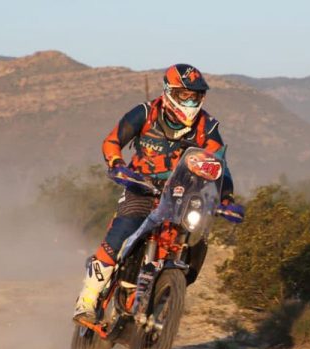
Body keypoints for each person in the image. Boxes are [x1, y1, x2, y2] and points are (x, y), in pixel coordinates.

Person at [73, 63, 244, 322]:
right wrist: (117, 164)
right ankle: (87, 298)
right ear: (169, 92)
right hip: (140, 187)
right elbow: (112, 140)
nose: (190, 101)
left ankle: (167, 290)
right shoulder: (145, 113)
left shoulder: (207, 127)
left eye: (195, 96)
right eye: (184, 95)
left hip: (182, 194)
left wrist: (227, 198)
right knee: (121, 232)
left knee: (198, 240)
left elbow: (219, 165)